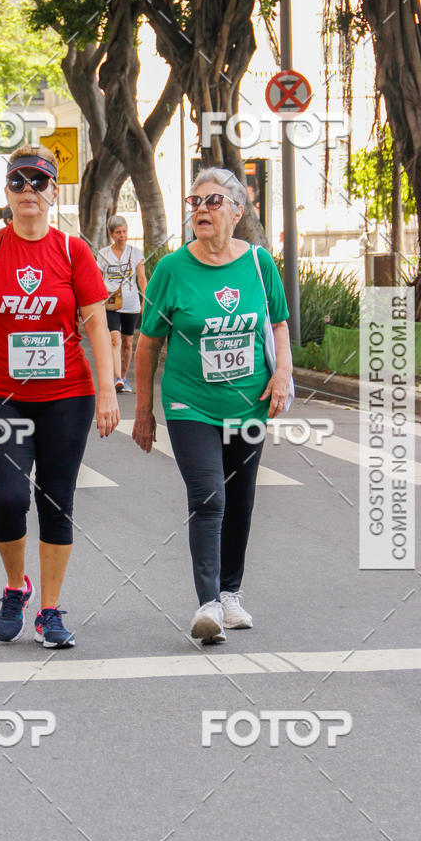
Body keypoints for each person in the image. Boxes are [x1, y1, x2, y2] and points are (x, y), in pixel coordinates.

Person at [0, 144, 119, 648]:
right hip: (2, 393)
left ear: (52, 192)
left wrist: (108, 391)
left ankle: (49, 610)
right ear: (6, 192)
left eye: (38, 183)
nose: (28, 191)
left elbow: (96, 322)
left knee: (56, 499)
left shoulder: (73, 251)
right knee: (7, 499)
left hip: (68, 393)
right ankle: (14, 586)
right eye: (18, 182)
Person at [132, 167, 292, 644]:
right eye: (194, 202)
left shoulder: (261, 265)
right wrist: (144, 411)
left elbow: (279, 324)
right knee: (209, 497)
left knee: (240, 499)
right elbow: (147, 345)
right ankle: (207, 606)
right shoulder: (171, 270)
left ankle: (230, 593)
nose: (201, 209)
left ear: (238, 212)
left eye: (213, 202)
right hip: (190, 404)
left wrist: (282, 373)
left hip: (249, 404)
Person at [97, 215, 146, 393]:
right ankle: (117, 378)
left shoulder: (135, 253)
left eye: (124, 231)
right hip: (111, 302)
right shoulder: (104, 254)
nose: (122, 235)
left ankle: (123, 378)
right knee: (114, 338)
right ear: (111, 234)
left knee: (127, 342)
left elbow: (142, 279)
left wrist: (144, 300)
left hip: (131, 303)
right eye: (118, 232)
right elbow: (97, 277)